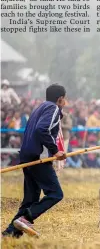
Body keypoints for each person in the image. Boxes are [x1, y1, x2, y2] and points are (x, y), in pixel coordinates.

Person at [2, 84, 68, 238]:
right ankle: (26, 218)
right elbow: (41, 129)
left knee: (31, 199)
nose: (65, 102)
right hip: (38, 158)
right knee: (55, 193)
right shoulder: (53, 109)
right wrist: (55, 150)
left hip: (27, 155)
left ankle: (10, 233)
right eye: (64, 99)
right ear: (60, 99)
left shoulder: (40, 108)